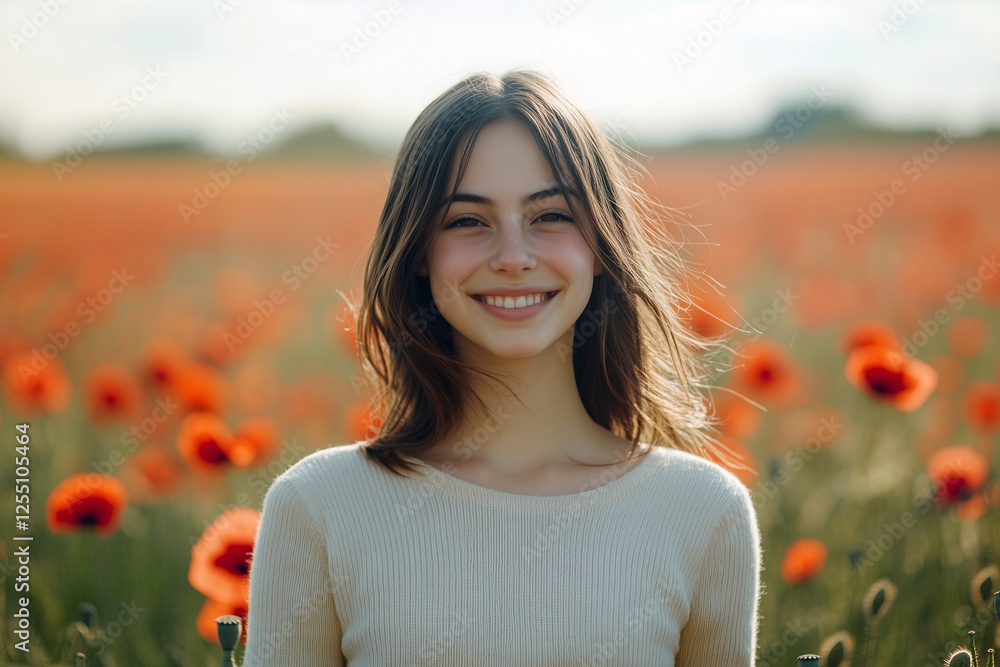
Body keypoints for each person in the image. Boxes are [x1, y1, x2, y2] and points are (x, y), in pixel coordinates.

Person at [242, 68, 762, 666]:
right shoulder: (321, 507)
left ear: (600, 246)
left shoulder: (699, 511)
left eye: (552, 216)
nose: (513, 257)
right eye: (467, 220)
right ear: (417, 254)